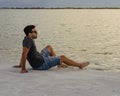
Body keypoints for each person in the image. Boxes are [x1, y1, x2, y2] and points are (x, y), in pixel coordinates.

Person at [13, 25, 89, 73]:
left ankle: (59, 64)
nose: (37, 33)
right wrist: (23, 68)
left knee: (49, 47)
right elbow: (24, 54)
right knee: (63, 57)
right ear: (29, 33)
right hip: (41, 64)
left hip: (40, 57)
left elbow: (25, 53)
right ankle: (79, 65)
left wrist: (20, 65)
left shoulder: (26, 39)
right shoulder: (28, 40)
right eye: (35, 31)